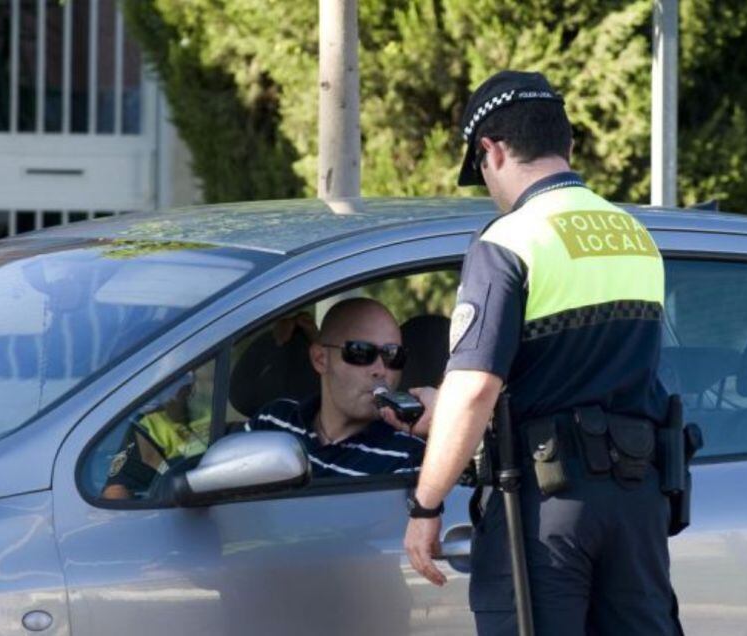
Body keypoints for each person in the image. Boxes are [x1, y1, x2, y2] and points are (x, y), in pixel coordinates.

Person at [402, 70, 682, 634]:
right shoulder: (634, 234)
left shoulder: (508, 241)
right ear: (568, 144)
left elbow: (476, 386)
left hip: (546, 507)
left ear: (492, 150)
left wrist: (426, 505)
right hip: (637, 502)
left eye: (481, 171)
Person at [244, 297, 431, 478]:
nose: (380, 370)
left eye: (393, 355)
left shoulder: (408, 457)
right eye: (361, 352)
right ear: (320, 359)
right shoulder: (273, 421)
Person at [102, 372, 210, 500]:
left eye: (181, 382)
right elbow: (116, 491)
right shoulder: (147, 426)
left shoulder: (216, 407)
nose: (170, 395)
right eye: (168, 386)